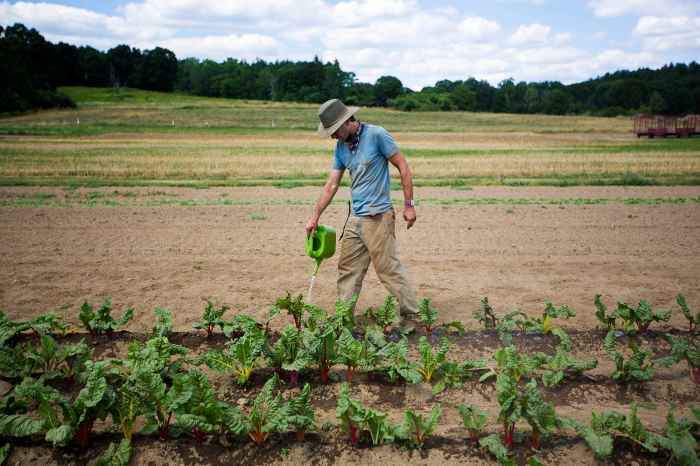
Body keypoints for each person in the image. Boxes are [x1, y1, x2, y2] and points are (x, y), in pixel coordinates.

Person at [305, 98, 418, 327]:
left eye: (335, 131)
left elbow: (403, 167)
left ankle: (413, 315)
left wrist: (409, 205)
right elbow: (332, 185)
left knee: (387, 269)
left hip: (378, 216)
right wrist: (315, 216)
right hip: (355, 217)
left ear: (347, 121)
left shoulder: (377, 135)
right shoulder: (341, 147)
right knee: (348, 269)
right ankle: (344, 319)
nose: (333, 136)